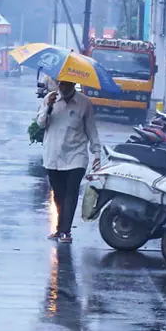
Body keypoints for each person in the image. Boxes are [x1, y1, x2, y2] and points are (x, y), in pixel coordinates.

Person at [36, 80, 102, 243]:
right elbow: (40, 124)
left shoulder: (84, 103)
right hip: (54, 156)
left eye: (67, 85)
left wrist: (97, 153)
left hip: (76, 156)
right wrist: (48, 107)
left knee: (71, 194)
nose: (63, 88)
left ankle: (66, 231)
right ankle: (59, 229)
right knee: (58, 195)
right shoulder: (49, 99)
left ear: (73, 85)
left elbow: (91, 129)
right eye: (61, 85)